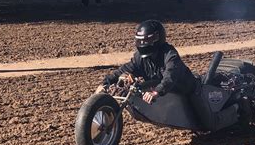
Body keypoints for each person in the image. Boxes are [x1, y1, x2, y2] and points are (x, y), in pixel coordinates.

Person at [95, 20, 239, 131]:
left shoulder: (170, 55)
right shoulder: (141, 57)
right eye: (141, 41)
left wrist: (156, 91)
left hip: (188, 91)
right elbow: (124, 69)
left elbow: (170, 77)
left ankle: (238, 107)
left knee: (209, 125)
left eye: (148, 40)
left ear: (157, 39)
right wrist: (105, 82)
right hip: (169, 94)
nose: (144, 44)